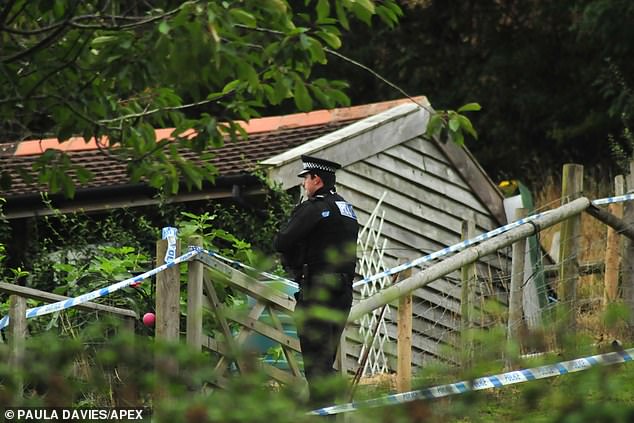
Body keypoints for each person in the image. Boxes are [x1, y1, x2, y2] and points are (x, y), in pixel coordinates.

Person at [274, 154, 359, 408]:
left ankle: (321, 411)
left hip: (318, 289)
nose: (303, 185)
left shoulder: (314, 208)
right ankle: (326, 406)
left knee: (315, 355)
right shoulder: (347, 209)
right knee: (326, 353)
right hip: (343, 292)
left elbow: (282, 241)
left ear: (317, 180)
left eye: (306, 179)